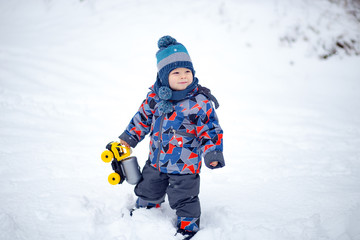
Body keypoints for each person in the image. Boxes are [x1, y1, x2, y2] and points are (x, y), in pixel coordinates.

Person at [119, 35, 225, 239]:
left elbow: (210, 130)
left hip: (185, 166)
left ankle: (188, 224)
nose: (183, 76)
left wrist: (212, 153)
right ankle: (147, 209)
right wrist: (128, 138)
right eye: (176, 72)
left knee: (185, 197)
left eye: (187, 71)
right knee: (148, 187)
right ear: (163, 76)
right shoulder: (154, 98)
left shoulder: (199, 102)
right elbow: (141, 119)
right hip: (156, 161)